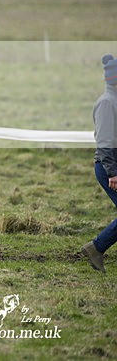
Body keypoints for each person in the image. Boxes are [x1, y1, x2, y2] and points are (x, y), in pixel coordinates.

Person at [82, 54, 117, 272]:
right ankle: (96, 247)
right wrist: (113, 173)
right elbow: (105, 142)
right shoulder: (107, 103)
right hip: (109, 168)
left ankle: (96, 247)